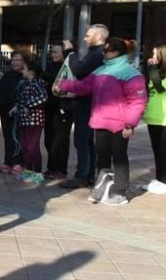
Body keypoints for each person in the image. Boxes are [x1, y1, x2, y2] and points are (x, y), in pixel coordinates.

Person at [56, 37, 147, 206]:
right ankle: (102, 188)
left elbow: (137, 102)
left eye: (106, 50)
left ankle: (119, 193)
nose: (103, 53)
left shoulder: (131, 74)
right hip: (100, 121)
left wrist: (130, 124)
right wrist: (65, 85)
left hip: (121, 124)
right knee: (102, 158)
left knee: (119, 158)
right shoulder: (100, 70)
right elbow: (85, 86)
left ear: (116, 52)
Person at [58, 24, 108, 189]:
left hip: (85, 104)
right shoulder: (97, 53)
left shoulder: (97, 54)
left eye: (88, 35)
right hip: (88, 103)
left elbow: (78, 70)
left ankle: (82, 176)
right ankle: (89, 175)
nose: (85, 38)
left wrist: (70, 52)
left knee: (82, 141)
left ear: (98, 37)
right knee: (87, 141)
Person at [13, 59, 47, 175]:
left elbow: (43, 97)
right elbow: (22, 100)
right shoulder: (26, 83)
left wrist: (28, 105)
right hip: (24, 120)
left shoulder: (37, 83)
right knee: (25, 146)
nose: (22, 71)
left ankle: (37, 172)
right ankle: (28, 171)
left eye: (24, 69)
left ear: (31, 71)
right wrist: (17, 106)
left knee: (32, 146)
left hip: (35, 121)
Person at [43, 44, 71, 179]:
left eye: (56, 52)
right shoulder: (49, 66)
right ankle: (51, 167)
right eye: (52, 52)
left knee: (60, 140)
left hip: (63, 107)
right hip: (49, 107)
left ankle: (61, 168)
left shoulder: (69, 68)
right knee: (48, 139)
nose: (53, 55)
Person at [143, 41, 166, 194]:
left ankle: (163, 182)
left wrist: (151, 68)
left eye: (155, 53)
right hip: (153, 118)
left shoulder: (155, 72)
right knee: (157, 151)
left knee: (163, 152)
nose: (152, 57)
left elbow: (159, 87)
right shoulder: (155, 71)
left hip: (164, 119)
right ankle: (159, 180)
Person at [0, 52, 24, 172]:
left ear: (24, 62)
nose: (15, 62)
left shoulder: (26, 77)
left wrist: (17, 106)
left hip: (19, 113)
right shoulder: (6, 75)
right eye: (13, 60)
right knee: (8, 138)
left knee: (18, 138)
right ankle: (8, 162)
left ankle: (19, 162)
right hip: (5, 113)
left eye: (18, 60)